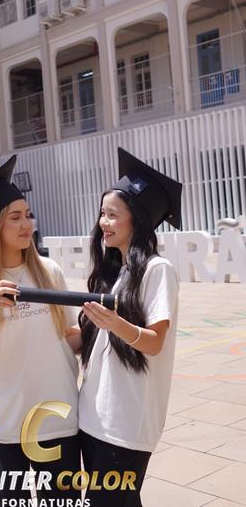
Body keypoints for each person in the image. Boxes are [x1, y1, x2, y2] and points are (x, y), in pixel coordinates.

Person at [0, 155, 80, 507]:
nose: (27, 225)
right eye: (15, 217)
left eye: (28, 215)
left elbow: (69, 336)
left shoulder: (48, 271)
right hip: (1, 425)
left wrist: (107, 328)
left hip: (56, 419)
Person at [78, 147, 182, 507]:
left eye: (112, 215)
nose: (103, 222)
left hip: (126, 422)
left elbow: (154, 343)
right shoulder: (114, 273)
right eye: (102, 213)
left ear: (136, 221)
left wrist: (116, 323)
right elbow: (90, 342)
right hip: (92, 416)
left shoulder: (157, 270)